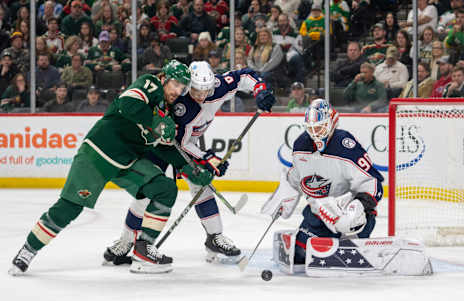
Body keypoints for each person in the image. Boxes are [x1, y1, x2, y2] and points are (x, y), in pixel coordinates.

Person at [8, 60, 213, 275]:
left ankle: (144, 250)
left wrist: (189, 169)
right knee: (70, 207)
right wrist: (156, 122)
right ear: (164, 78)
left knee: (165, 188)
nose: (178, 91)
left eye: (182, 87)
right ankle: (28, 250)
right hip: (99, 152)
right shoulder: (150, 84)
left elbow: (165, 147)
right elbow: (128, 105)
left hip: (129, 160)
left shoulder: (168, 113)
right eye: (176, 85)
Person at [103, 61, 276, 266]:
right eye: (196, 90)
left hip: (187, 143)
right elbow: (179, 142)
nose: (202, 96)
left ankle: (214, 237)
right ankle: (126, 240)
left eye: (206, 90)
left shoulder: (219, 86)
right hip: (160, 145)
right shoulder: (180, 105)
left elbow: (244, 76)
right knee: (146, 192)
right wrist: (208, 158)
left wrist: (260, 90)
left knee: (201, 184)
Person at [261, 99, 384, 264]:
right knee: (300, 255)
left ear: (332, 122)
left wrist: (359, 206)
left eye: (319, 127)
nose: (315, 133)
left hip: (347, 213)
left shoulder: (345, 145)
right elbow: (295, 177)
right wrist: (285, 194)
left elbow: (373, 182)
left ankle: (354, 235)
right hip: (319, 214)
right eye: (311, 128)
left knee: (344, 258)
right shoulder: (301, 144)